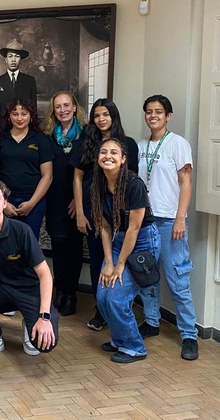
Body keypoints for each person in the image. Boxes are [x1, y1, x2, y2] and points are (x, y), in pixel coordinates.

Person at [0, 178, 58, 361]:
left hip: (29, 291)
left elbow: (45, 274)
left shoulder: (21, 230)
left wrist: (44, 316)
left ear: (5, 203)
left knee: (44, 345)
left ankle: (30, 323)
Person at [137, 95, 199, 361]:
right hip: (144, 221)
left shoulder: (177, 144)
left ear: (168, 116)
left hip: (168, 222)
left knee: (177, 280)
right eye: (149, 112)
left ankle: (189, 335)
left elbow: (186, 182)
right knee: (146, 275)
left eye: (158, 112)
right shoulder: (140, 146)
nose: (153, 116)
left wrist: (180, 218)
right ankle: (151, 321)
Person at [70, 98, 139, 331]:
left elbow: (131, 179)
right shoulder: (86, 142)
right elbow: (77, 177)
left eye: (106, 115)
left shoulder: (128, 144)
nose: (101, 119)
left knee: (123, 258)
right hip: (93, 209)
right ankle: (101, 311)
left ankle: (119, 307)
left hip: (121, 210)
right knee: (99, 258)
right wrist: (80, 211)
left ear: (114, 117)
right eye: (97, 115)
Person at [92, 138, 160, 363]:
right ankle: (120, 339)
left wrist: (120, 264)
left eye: (114, 152)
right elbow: (104, 227)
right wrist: (109, 263)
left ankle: (134, 347)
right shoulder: (98, 185)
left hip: (142, 243)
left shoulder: (134, 184)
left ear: (123, 159)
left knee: (117, 299)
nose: (108, 156)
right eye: (103, 152)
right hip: (118, 241)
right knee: (103, 296)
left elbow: (134, 227)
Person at [43, 91, 85, 316]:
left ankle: (71, 294)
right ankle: (59, 292)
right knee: (58, 248)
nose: (63, 110)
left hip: (76, 201)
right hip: (55, 200)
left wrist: (79, 201)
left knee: (74, 250)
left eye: (66, 105)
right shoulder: (50, 136)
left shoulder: (86, 135)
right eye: (58, 106)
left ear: (75, 107)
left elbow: (89, 171)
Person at [0, 98, 53, 240]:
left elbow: (47, 176)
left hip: (33, 200)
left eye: (24, 113)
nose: (19, 118)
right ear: (9, 116)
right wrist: (3, 202)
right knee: (5, 243)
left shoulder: (40, 139)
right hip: (6, 199)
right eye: (15, 114)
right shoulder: (0, 139)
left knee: (29, 244)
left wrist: (31, 203)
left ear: (31, 116)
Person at [0, 39, 37, 132]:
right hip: (4, 130)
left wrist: (33, 129)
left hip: (25, 129)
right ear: (6, 60)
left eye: (17, 56)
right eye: (10, 56)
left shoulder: (29, 81)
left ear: (21, 60)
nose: (13, 60)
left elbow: (33, 107)